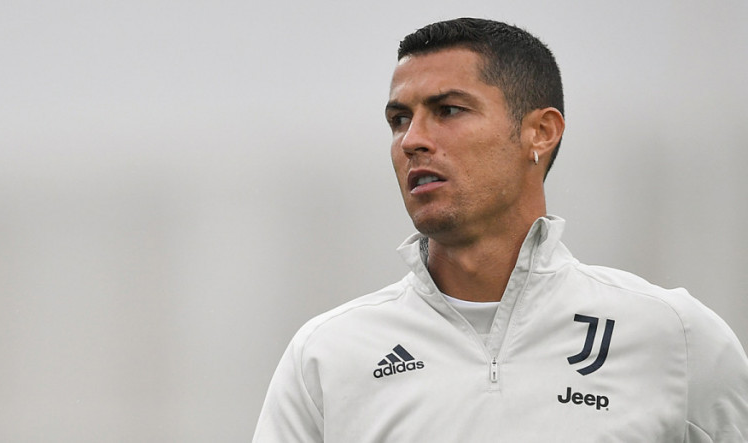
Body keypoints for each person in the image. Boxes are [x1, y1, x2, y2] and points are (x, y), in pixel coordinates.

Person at [253, 17, 748, 442]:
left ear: (541, 132)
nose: (412, 140)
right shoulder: (327, 354)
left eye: (448, 110)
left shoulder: (674, 336)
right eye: (399, 119)